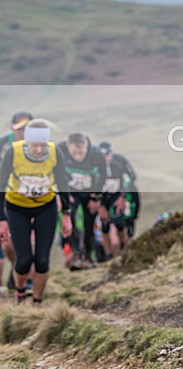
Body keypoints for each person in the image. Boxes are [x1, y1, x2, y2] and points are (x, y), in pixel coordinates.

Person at [0, 119, 73, 304]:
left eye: (43, 145)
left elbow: (62, 182)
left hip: (45, 207)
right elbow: (1, 183)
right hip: (17, 207)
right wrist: (1, 219)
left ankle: (37, 302)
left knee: (42, 260)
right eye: (35, 146)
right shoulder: (14, 152)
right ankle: (20, 293)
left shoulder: (55, 152)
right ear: (27, 141)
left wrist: (66, 214)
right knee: (23, 260)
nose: (39, 150)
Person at [57, 133, 108, 269]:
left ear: (86, 146)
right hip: (70, 191)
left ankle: (88, 255)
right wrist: (63, 194)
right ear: (68, 147)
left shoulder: (97, 155)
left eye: (81, 153)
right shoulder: (59, 151)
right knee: (69, 219)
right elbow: (55, 174)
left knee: (89, 223)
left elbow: (104, 176)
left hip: (89, 192)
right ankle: (75, 255)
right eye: (74, 153)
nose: (78, 157)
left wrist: (96, 198)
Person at [0, 111, 34, 291]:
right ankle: (17, 266)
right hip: (6, 196)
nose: (24, 131)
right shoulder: (3, 144)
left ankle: (25, 277)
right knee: (8, 242)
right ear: (12, 127)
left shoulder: (40, 144)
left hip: (32, 197)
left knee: (32, 240)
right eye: (20, 127)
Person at [97, 142, 139, 257]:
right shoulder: (96, 164)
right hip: (103, 195)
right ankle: (109, 255)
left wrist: (122, 196)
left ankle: (123, 249)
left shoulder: (120, 161)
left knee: (119, 222)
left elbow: (132, 177)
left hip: (118, 194)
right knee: (104, 224)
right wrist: (99, 204)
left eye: (107, 155)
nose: (106, 159)